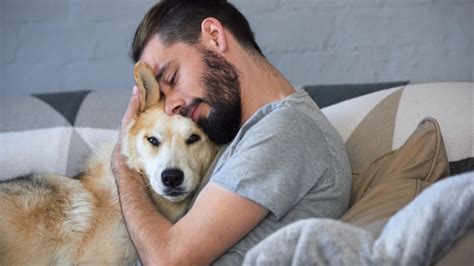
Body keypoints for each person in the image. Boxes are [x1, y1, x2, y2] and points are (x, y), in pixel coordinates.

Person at [111, 0, 352, 265]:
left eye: (172, 78)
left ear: (214, 36)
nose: (170, 106)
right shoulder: (237, 133)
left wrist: (123, 165)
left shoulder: (286, 130)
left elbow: (168, 260)